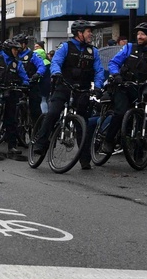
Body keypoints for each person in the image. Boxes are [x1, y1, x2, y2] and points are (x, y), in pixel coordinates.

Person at [32, 20, 105, 169]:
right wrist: (57, 73)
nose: (91, 34)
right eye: (88, 31)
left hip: (82, 91)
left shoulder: (93, 51)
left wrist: (98, 87)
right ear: (79, 33)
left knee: (82, 123)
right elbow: (56, 62)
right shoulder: (66, 47)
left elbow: (99, 71)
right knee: (52, 113)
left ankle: (84, 159)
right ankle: (40, 143)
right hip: (64, 87)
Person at [103, 22, 147, 153]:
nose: (139, 36)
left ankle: (140, 144)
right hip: (124, 85)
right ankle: (108, 140)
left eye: (143, 34)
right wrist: (116, 74)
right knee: (120, 112)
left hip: (143, 86)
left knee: (145, 113)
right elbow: (114, 62)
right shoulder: (129, 48)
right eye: (138, 34)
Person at [15, 34, 47, 125]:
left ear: (24, 44)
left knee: (35, 110)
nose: (17, 46)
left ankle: (37, 130)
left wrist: (38, 74)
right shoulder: (15, 55)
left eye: (19, 44)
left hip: (32, 83)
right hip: (18, 85)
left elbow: (41, 66)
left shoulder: (33, 55)